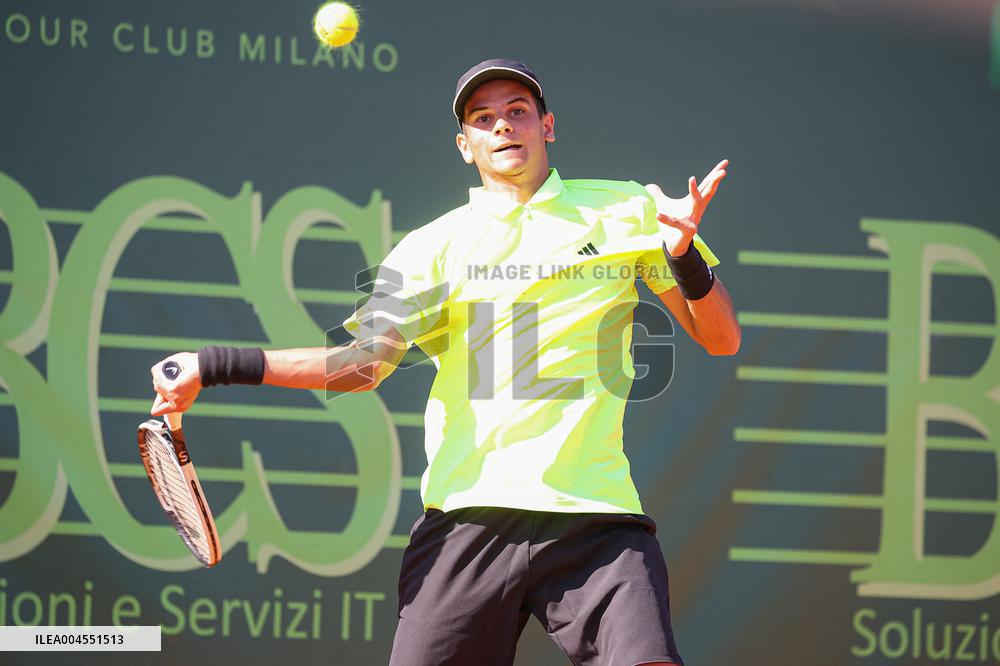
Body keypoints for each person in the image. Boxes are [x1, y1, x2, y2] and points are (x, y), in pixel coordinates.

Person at [151, 59, 741, 666]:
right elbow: (360, 365)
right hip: (468, 518)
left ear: (547, 126)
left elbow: (721, 339)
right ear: (466, 146)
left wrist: (684, 255)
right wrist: (216, 362)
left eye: (517, 111)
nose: (504, 127)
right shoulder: (429, 247)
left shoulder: (629, 210)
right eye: (484, 120)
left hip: (595, 519)